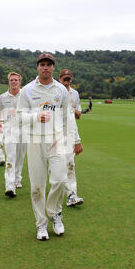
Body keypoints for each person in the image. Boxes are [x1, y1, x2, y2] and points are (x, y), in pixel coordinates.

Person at [17, 53, 83, 241]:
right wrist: (35, 117)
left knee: (60, 180)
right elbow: (19, 117)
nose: (45, 67)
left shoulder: (61, 90)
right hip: (35, 140)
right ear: (37, 67)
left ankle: (54, 213)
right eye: (42, 64)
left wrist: (72, 139)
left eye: (49, 64)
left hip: (56, 140)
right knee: (37, 186)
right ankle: (41, 224)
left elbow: (66, 118)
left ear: (53, 68)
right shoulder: (27, 90)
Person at [0, 72, 26, 198]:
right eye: (11, 80)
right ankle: (10, 186)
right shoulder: (3, 97)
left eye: (16, 80)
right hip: (9, 129)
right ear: (8, 82)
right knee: (10, 158)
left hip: (23, 129)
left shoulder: (25, 95)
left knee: (20, 157)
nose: (13, 82)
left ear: (20, 82)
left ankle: (18, 179)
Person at [58, 69, 84, 207]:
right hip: (54, 133)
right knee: (56, 167)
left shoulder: (74, 94)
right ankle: (57, 191)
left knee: (70, 164)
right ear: (59, 78)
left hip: (69, 132)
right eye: (64, 79)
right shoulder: (54, 91)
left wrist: (69, 109)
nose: (66, 82)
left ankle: (71, 194)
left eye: (68, 79)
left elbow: (78, 115)